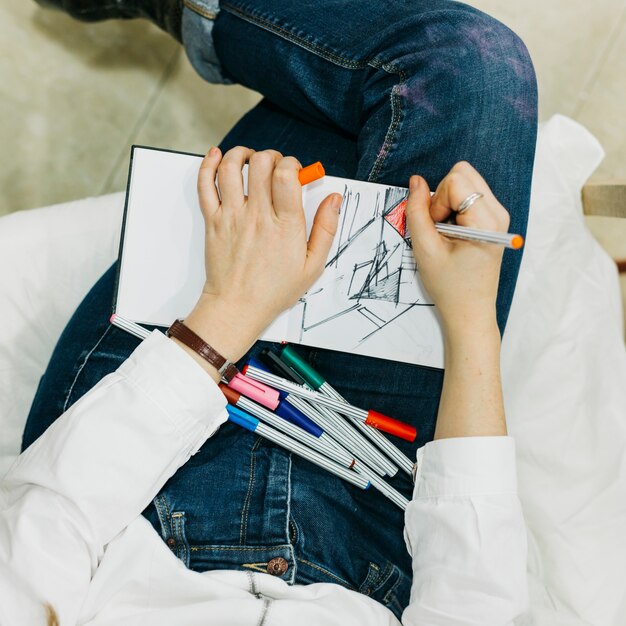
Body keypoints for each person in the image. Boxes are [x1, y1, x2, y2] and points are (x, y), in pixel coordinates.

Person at [1, 1, 538, 624]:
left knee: (331, 124)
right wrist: (471, 319)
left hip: (134, 480)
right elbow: (477, 602)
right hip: (373, 489)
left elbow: (39, 527)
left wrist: (226, 314)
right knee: (465, 66)